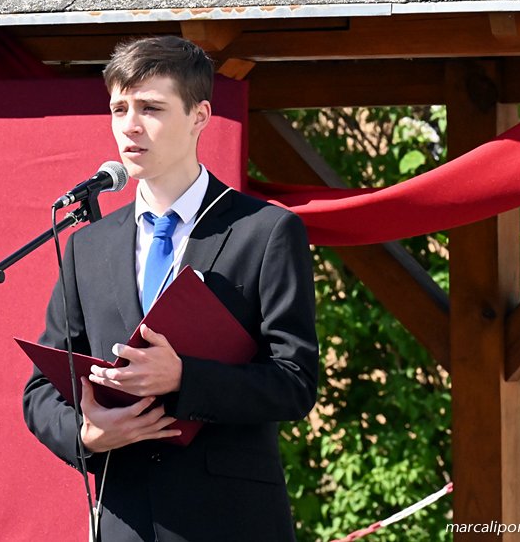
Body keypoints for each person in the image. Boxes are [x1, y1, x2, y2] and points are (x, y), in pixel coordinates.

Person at [22, 36, 319, 541]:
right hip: (125, 521)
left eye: (151, 108)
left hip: (230, 521)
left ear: (200, 116)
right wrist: (87, 435)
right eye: (119, 109)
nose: (130, 125)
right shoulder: (87, 246)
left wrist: (184, 378)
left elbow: (295, 382)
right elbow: (40, 392)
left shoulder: (265, 231)